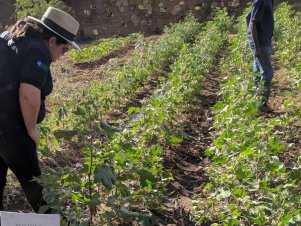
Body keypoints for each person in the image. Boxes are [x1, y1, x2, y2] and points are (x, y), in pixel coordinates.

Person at [0, 7, 80, 213]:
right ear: (53, 40)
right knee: (38, 190)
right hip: (11, 129)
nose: (62, 56)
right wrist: (31, 131)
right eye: (64, 50)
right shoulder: (39, 50)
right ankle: (58, 222)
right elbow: (28, 94)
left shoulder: (15, 38)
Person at [246, 0, 274, 113]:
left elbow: (247, 17)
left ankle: (256, 100)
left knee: (257, 72)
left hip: (262, 41)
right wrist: (256, 46)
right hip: (261, 43)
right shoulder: (261, 0)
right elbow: (252, 22)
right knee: (267, 73)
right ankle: (262, 103)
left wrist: (250, 40)